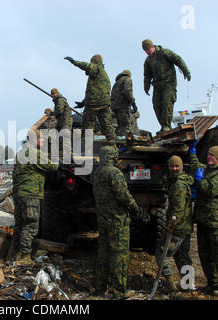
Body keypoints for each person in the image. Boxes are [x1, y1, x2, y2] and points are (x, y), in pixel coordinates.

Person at [188, 143, 218, 297]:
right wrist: (192, 153)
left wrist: (200, 180)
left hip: (215, 223)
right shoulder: (208, 170)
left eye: (212, 156)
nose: (209, 157)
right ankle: (213, 283)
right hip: (203, 221)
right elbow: (197, 166)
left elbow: (208, 190)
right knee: (205, 255)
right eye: (208, 155)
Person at [92, 146, 140, 299]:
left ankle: (100, 288)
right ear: (113, 157)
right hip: (117, 220)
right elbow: (122, 195)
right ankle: (120, 291)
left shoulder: (97, 173)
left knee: (103, 254)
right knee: (119, 255)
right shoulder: (114, 173)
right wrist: (134, 206)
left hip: (103, 218)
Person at [12, 129, 59, 265]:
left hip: (19, 194)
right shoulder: (34, 153)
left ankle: (16, 253)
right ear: (35, 140)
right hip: (30, 194)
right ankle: (25, 256)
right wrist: (58, 159)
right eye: (42, 139)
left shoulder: (20, 152)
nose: (44, 141)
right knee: (31, 225)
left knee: (20, 225)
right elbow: (52, 167)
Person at [155, 156, 194, 293]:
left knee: (161, 254)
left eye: (177, 166)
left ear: (181, 167)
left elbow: (177, 210)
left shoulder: (178, 185)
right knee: (182, 255)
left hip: (177, 228)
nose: (174, 169)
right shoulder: (184, 181)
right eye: (172, 166)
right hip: (186, 227)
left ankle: (170, 285)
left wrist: (170, 227)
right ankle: (188, 285)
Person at [64, 54, 116, 145]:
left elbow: (87, 66)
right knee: (107, 126)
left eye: (91, 62)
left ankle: (86, 149)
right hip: (105, 104)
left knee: (88, 127)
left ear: (94, 62)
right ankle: (113, 146)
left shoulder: (97, 68)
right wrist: (83, 103)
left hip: (93, 105)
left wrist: (74, 62)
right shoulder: (104, 75)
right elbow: (96, 93)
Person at [142, 39, 191, 132]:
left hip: (169, 83)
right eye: (145, 51)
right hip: (157, 85)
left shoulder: (165, 53)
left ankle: (166, 125)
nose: (147, 52)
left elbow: (178, 60)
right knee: (156, 105)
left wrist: (186, 72)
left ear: (152, 47)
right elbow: (147, 75)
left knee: (167, 103)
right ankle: (163, 125)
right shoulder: (148, 61)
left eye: (148, 49)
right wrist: (146, 86)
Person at [110, 70, 138, 136]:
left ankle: (117, 140)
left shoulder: (117, 83)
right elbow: (127, 91)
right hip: (123, 106)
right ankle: (125, 143)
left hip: (115, 107)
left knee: (120, 126)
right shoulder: (127, 79)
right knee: (126, 126)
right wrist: (133, 103)